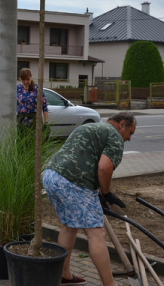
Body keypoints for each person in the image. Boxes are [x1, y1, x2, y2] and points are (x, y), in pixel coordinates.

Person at [42, 111, 137, 286]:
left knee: (70, 226)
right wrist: (106, 193)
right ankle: (111, 285)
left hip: (51, 176)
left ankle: (64, 276)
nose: (129, 138)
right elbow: (104, 167)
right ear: (122, 124)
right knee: (96, 233)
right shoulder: (114, 136)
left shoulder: (90, 126)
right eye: (130, 133)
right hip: (74, 183)